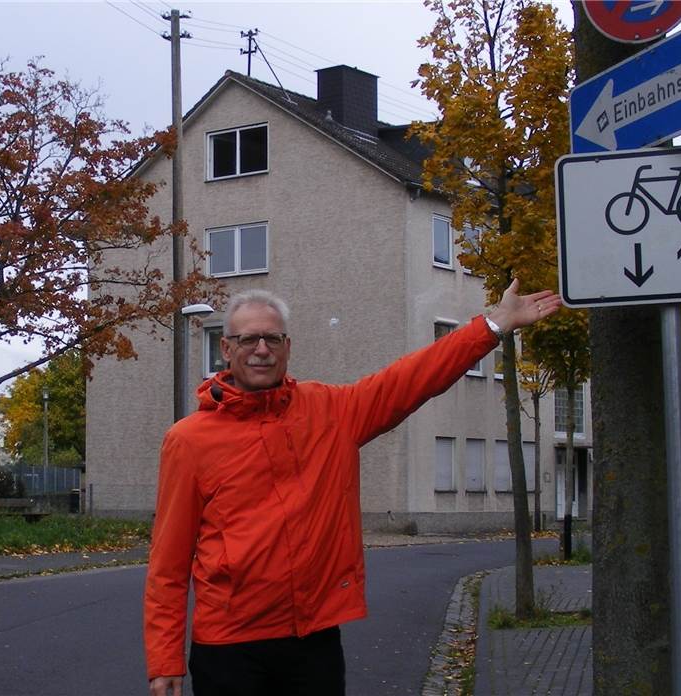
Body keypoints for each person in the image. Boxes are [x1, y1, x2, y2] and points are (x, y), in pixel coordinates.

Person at [144, 279, 561, 696]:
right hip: (229, 648)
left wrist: (493, 324)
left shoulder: (331, 412)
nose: (262, 348)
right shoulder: (189, 440)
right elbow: (169, 563)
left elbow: (412, 378)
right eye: (248, 338)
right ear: (227, 349)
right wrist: (165, 660)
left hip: (312, 641)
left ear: (287, 347)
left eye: (272, 338)